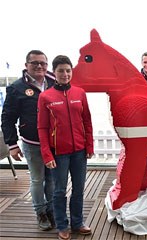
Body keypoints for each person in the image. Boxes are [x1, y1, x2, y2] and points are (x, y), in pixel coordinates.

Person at [37, 55, 94, 240]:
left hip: (79, 152)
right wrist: (47, 154)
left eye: (68, 70)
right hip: (58, 153)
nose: (65, 74)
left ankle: (77, 222)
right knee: (59, 191)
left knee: (79, 189)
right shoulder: (45, 97)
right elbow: (42, 127)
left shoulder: (80, 93)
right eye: (61, 70)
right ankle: (62, 225)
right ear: (54, 72)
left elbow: (87, 120)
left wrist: (89, 145)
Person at [1, 50, 55, 230]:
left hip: (54, 143)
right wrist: (12, 145)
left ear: (47, 65)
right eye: (35, 63)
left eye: (43, 63)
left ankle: (51, 209)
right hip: (33, 143)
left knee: (52, 179)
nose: (39, 66)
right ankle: (40, 212)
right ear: (26, 65)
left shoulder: (55, 82)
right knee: (38, 180)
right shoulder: (16, 88)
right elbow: (7, 118)